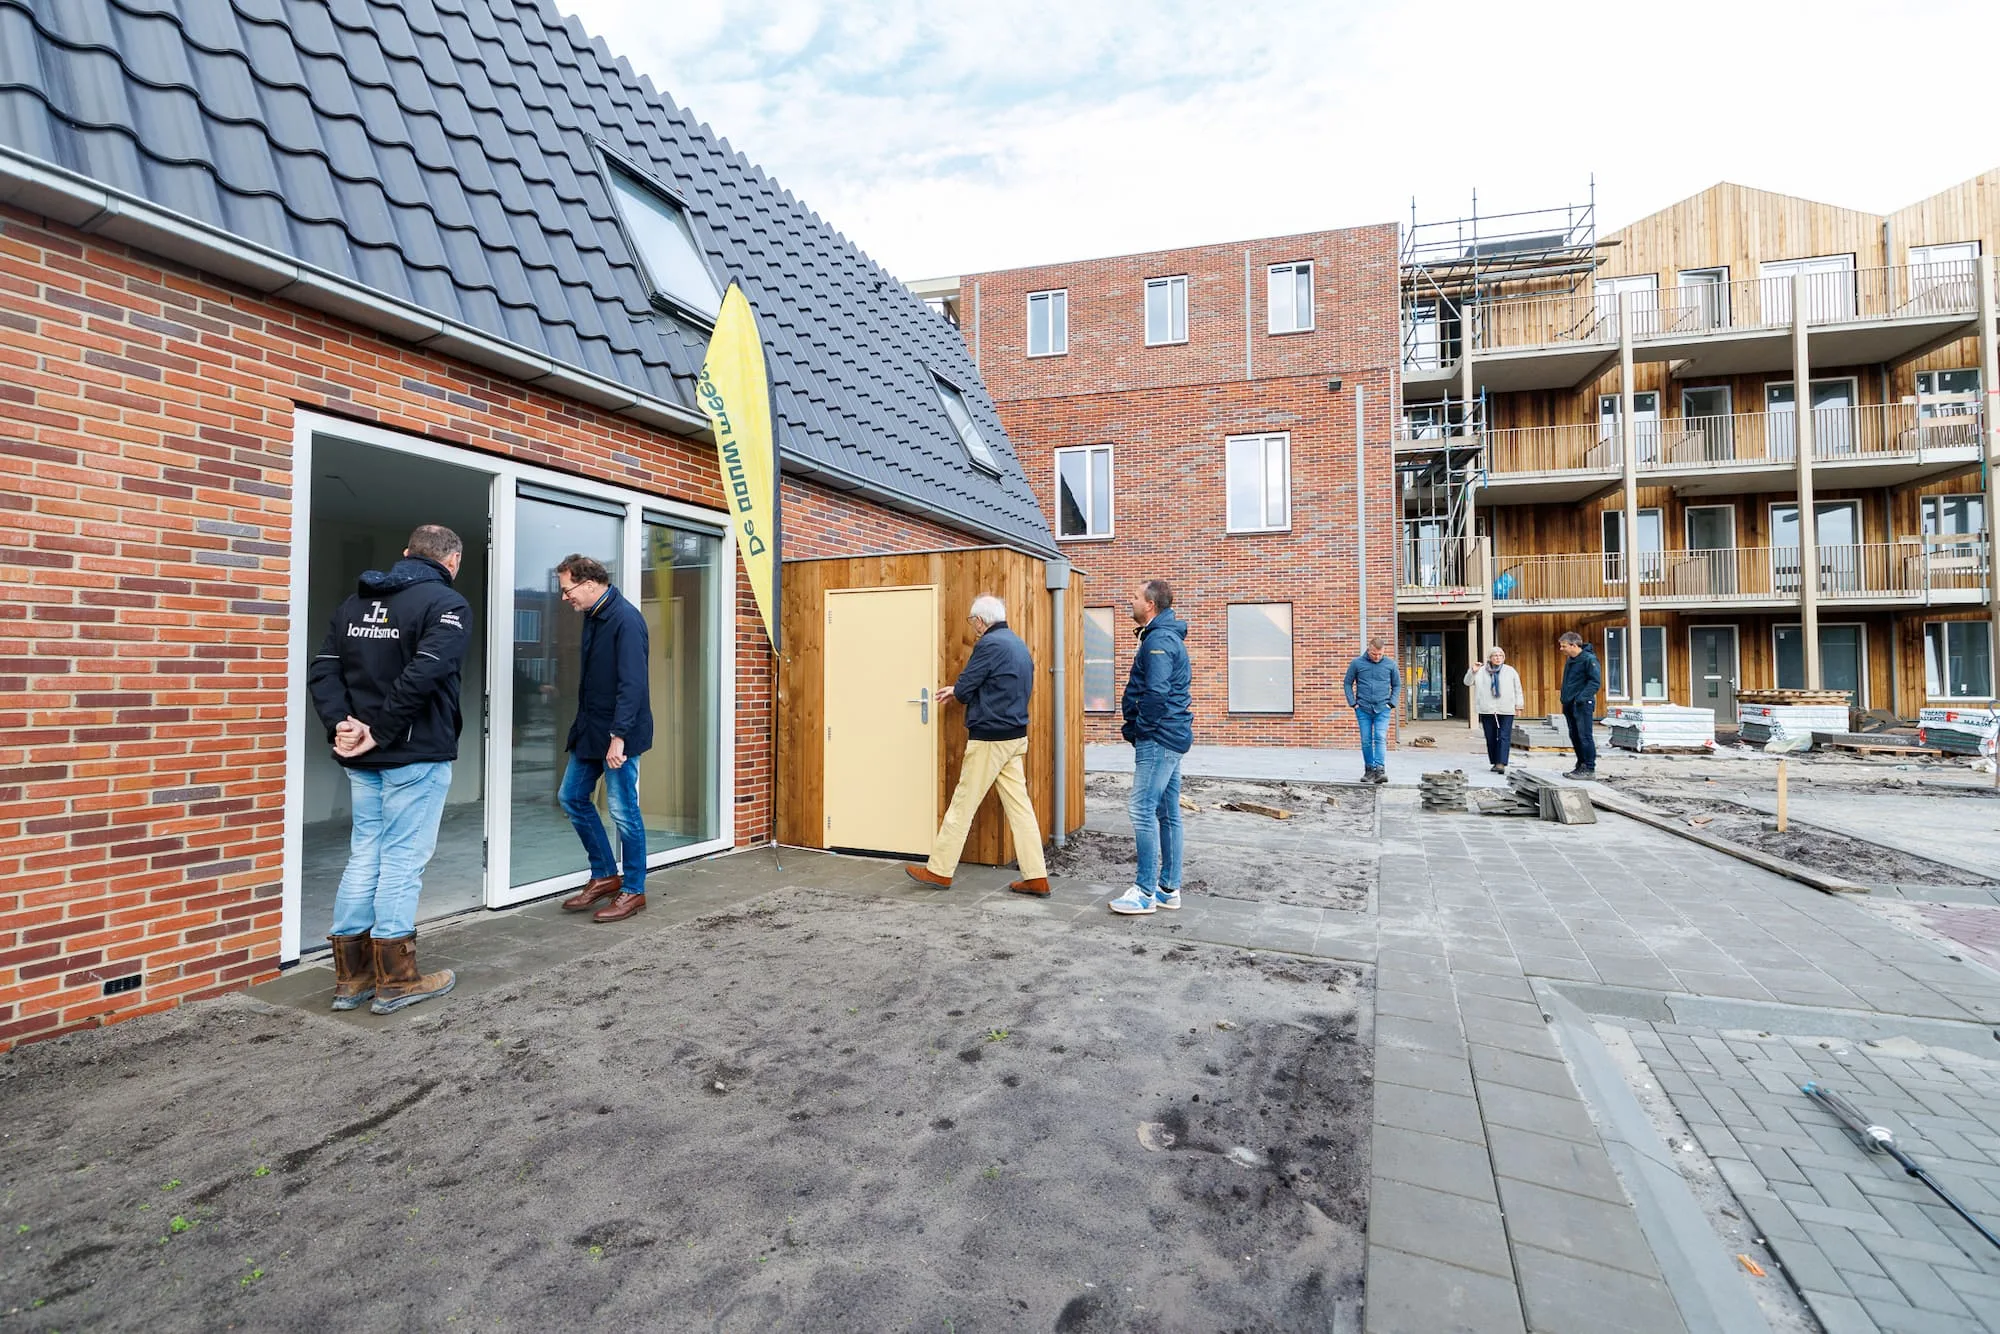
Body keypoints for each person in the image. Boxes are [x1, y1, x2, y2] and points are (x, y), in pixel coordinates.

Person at [307, 524, 469, 1015]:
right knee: (401, 861)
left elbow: (324, 669)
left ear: (405, 554)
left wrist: (342, 725)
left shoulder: (354, 604)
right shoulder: (446, 605)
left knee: (365, 856)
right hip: (412, 755)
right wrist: (380, 729)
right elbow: (426, 672)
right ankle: (397, 980)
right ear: (453, 561)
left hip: (364, 754)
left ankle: (351, 979)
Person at [904, 595, 1050, 895]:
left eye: (973, 622)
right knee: (1020, 808)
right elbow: (1000, 684)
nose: (973, 628)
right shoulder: (1017, 644)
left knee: (962, 804)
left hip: (990, 738)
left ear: (981, 621)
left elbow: (968, 686)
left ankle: (939, 871)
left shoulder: (989, 644)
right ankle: (1037, 876)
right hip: (1014, 735)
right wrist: (960, 689)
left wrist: (958, 690)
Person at [551, 555, 654, 923]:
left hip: (617, 735)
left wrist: (619, 737)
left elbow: (633, 684)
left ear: (589, 583)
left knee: (624, 812)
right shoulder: (593, 616)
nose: (566, 598)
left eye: (568, 590)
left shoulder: (625, 620)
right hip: (591, 731)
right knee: (572, 797)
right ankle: (606, 875)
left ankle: (634, 890)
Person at [1108, 579, 1193, 917]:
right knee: (1167, 812)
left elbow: (1156, 693)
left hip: (1158, 738)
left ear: (1151, 605)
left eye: (1135, 597)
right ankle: (1168, 888)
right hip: (1170, 736)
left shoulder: (1158, 640)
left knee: (1142, 810)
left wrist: (1139, 729)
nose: (1130, 601)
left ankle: (1144, 892)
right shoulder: (1162, 636)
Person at [1343, 637, 1400, 785]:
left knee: (1380, 737)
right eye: (1374, 654)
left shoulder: (1390, 664)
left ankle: (1380, 770)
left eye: (1380, 654)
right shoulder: (1357, 663)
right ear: (1369, 650)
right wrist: (1353, 703)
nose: (1377, 657)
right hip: (1363, 708)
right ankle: (1369, 770)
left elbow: (1397, 685)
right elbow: (1347, 683)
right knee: (1366, 740)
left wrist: (1391, 703)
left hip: (1383, 708)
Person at [1464, 646, 1526, 773]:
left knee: (1504, 736)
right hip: (1487, 708)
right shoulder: (1481, 671)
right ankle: (1494, 761)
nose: (1498, 658)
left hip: (1506, 708)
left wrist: (1519, 705)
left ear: (1504, 658)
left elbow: (1517, 689)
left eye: (1500, 656)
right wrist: (1473, 671)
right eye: (1495, 656)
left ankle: (1501, 763)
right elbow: (1467, 682)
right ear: (1490, 658)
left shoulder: (1510, 671)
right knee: (1490, 736)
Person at [1557, 631, 1601, 779]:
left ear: (1573, 645)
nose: (1561, 649)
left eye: (1563, 646)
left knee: (1584, 735)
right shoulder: (1571, 659)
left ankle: (1589, 767)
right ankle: (1580, 764)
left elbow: (1594, 682)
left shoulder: (1589, 659)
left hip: (1582, 704)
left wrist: (1581, 698)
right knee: (1574, 735)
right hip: (1569, 703)